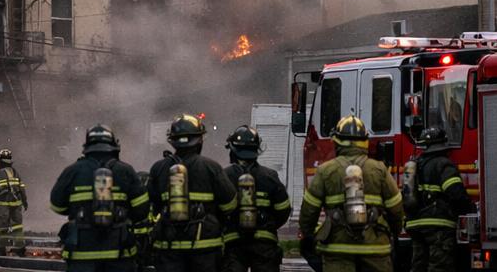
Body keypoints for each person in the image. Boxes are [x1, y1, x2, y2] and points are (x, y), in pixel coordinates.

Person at [298, 116, 404, 272]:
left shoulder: (325, 171)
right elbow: (396, 209)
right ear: (365, 141)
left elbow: (308, 212)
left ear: (336, 141)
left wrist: (308, 237)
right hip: (375, 250)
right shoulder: (379, 169)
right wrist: (393, 233)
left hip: (337, 251)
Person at [50, 125, 151, 272]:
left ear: (87, 147)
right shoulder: (126, 171)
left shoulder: (72, 171)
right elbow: (142, 210)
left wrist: (79, 211)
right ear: (114, 146)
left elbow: (56, 205)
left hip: (81, 255)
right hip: (119, 254)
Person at [148, 114, 238, 272]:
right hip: (205, 248)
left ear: (172, 140)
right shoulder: (211, 167)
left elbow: (150, 206)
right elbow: (230, 204)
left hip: (169, 246)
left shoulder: (159, 168)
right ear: (200, 140)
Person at [221, 127, 291, 272]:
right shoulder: (270, 176)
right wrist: (267, 224)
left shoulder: (224, 176)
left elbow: (216, 211)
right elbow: (283, 210)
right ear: (257, 150)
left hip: (233, 245)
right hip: (264, 245)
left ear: (233, 150)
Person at [405, 128, 473, 272]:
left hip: (415, 225)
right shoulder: (443, 164)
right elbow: (456, 193)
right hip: (437, 225)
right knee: (439, 266)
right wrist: (470, 209)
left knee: (419, 265)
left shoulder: (416, 165)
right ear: (442, 145)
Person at [0, 147, 30, 256]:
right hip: (16, 204)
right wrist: (24, 201)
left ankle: (0, 249)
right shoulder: (15, 172)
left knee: (1, 228)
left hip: (2, 205)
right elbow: (22, 188)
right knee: (17, 227)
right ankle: (20, 248)